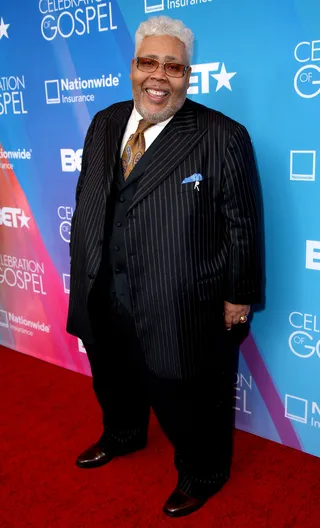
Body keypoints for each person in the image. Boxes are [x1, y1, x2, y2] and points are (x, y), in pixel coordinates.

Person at [66, 15, 263, 517]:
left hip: (181, 301)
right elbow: (90, 196)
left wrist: (239, 299)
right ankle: (125, 434)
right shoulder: (105, 123)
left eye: (172, 66)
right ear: (133, 67)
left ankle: (204, 471)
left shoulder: (221, 135)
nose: (159, 76)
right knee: (111, 376)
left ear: (188, 76)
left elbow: (243, 223)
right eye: (149, 62)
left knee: (192, 397)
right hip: (103, 289)